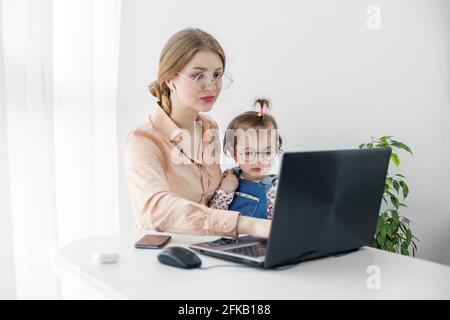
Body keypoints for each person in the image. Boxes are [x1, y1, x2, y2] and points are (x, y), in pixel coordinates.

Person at [124, 28, 271, 238]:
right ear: (169, 79)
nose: (211, 86)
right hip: (163, 254)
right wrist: (248, 224)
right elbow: (157, 210)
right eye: (198, 75)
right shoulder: (142, 140)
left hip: (208, 248)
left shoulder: (210, 128)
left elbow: (215, 200)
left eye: (217, 75)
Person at [209, 98, 282, 219]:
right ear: (234, 154)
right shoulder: (229, 178)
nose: (259, 160)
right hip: (230, 235)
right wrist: (225, 191)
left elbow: (278, 225)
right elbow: (213, 216)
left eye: (267, 152)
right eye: (248, 153)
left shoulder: (276, 187)